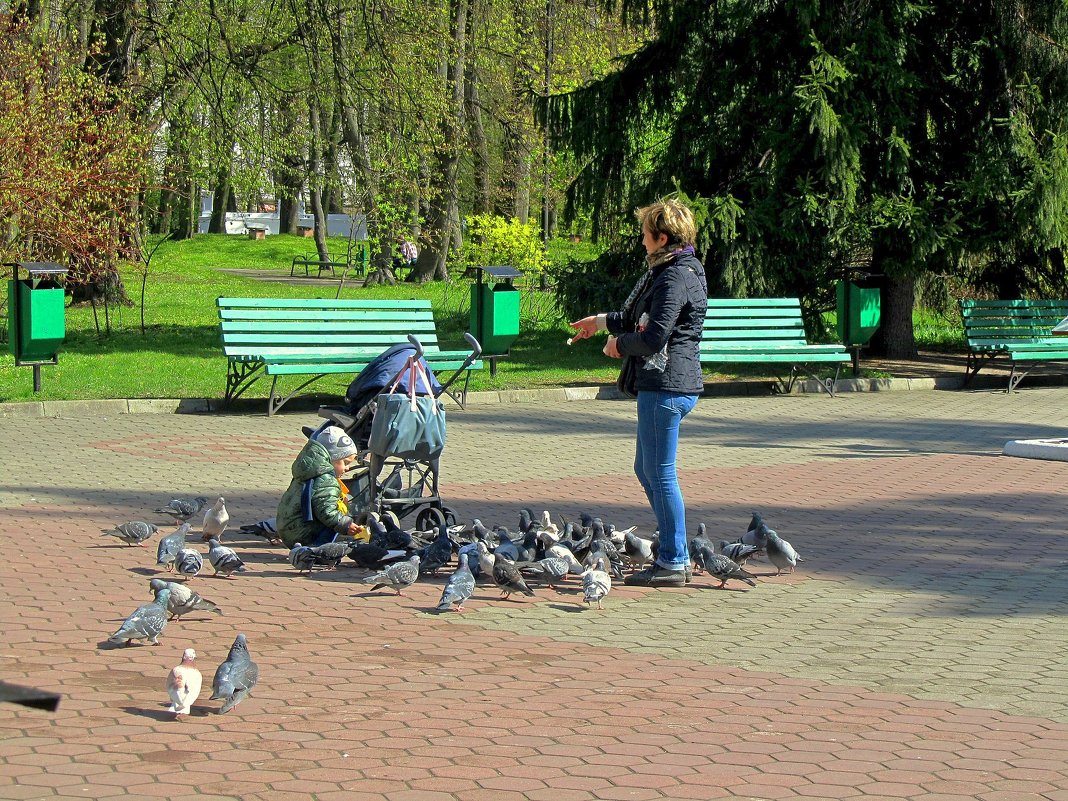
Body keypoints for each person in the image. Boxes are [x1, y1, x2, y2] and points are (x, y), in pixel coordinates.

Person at [569, 198, 708, 588]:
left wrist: (619, 345)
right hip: (665, 383)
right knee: (646, 470)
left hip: (667, 384)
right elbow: (636, 316)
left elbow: (653, 336)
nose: (642, 241)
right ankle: (672, 548)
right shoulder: (669, 270)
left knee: (661, 474)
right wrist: (599, 322)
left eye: (645, 235)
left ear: (662, 237)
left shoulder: (674, 276)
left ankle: (675, 559)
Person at [276, 426, 365, 548]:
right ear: (332, 458)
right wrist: (346, 524)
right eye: (345, 462)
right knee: (335, 523)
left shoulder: (308, 470)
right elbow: (326, 512)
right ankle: (317, 550)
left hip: (289, 528)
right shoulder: (326, 479)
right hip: (303, 534)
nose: (347, 468)